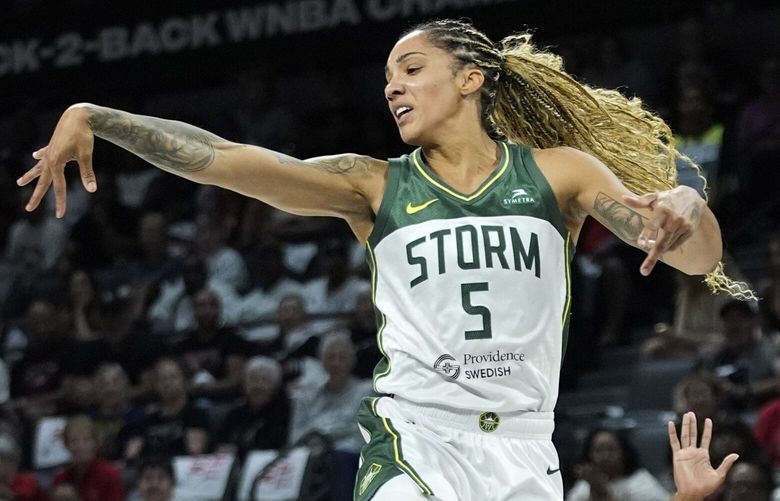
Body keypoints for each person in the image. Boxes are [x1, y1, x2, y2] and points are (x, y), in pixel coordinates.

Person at [17, 18, 745, 501]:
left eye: (412, 67)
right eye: (388, 77)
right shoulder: (373, 184)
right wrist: (97, 118)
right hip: (413, 437)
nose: (392, 84)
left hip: (525, 445)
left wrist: (687, 203)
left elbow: (693, 257)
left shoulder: (561, 174)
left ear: (471, 78)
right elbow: (228, 161)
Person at [567, 427, 670, 501]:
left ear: (624, 453)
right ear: (589, 455)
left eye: (611, 449)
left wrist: (604, 492)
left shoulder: (641, 482)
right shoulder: (582, 488)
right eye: (598, 451)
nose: (605, 456)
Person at [51, 415, 125, 501]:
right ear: (67, 446)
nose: (80, 446)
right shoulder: (60, 479)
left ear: (96, 444)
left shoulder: (110, 475)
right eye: (74, 441)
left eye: (86, 440)